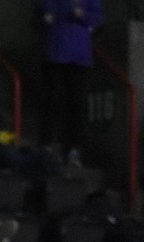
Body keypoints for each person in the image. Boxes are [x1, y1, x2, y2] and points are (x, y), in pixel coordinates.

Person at [40, 2, 103, 166]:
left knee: (75, 104)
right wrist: (45, 17)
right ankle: (49, 145)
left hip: (78, 58)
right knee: (53, 100)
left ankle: (73, 149)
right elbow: (43, 10)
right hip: (55, 53)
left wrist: (82, 15)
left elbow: (96, 17)